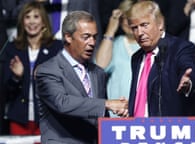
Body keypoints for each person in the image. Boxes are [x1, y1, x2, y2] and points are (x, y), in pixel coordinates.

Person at [35, 11, 128, 144]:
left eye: (95, 37)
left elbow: (100, 116)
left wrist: (119, 113)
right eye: (86, 37)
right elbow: (62, 103)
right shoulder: (48, 70)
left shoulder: (98, 73)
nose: (92, 42)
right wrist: (107, 104)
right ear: (68, 37)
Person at [126, 1, 195, 117]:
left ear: (160, 24)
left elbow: (191, 71)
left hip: (174, 130)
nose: (139, 33)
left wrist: (189, 82)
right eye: (134, 28)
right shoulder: (136, 58)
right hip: (139, 130)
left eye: (144, 25)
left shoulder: (181, 48)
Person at [2, 1, 63, 135]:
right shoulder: (12, 49)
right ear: (22, 21)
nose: (31, 22)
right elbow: (5, 91)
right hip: (19, 120)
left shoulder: (57, 48)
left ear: (43, 21)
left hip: (49, 120)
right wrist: (16, 77)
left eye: (36, 17)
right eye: (27, 17)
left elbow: (64, 86)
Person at [96, 0, 139, 117]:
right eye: (124, 18)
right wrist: (110, 30)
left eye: (132, 17)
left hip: (145, 116)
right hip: (117, 116)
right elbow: (100, 67)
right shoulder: (115, 44)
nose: (128, 22)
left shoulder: (150, 45)